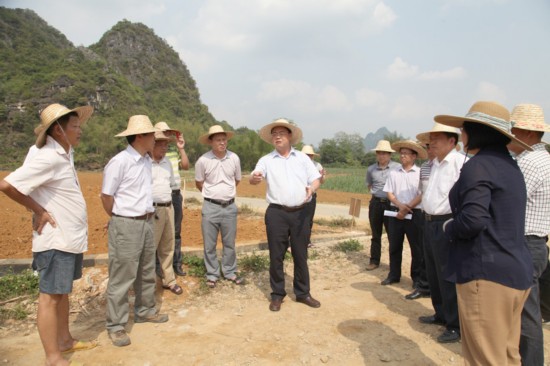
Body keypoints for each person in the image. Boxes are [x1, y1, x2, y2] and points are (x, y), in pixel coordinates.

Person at [437, 101, 533, 364]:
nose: (462, 135)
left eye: (464, 129)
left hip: (487, 275)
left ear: (474, 131)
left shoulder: (478, 166)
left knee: (486, 358)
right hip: (514, 270)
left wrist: (449, 227)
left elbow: (473, 219)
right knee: (507, 354)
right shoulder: (510, 166)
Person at [0, 103, 96, 365]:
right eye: (74, 127)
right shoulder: (48, 157)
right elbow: (7, 185)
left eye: (79, 125)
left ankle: (64, 340)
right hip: (56, 239)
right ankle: (52, 357)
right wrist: (38, 210)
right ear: (58, 130)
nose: (80, 131)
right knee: (50, 297)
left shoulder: (63, 154)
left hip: (69, 239)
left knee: (62, 292)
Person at [101, 115, 168, 347]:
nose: (155, 139)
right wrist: (119, 218)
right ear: (140, 136)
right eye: (152, 135)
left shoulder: (146, 161)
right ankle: (116, 325)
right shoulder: (120, 162)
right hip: (127, 223)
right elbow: (106, 196)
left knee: (146, 270)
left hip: (147, 221)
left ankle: (145, 310)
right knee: (123, 274)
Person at [249, 118, 322, 312]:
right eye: (274, 134)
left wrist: (311, 188)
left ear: (290, 136)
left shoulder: (302, 158)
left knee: (300, 254)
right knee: (276, 255)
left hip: (301, 213)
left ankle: (303, 293)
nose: (277, 137)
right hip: (276, 213)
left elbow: (316, 179)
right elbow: (255, 176)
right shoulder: (266, 160)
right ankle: (277, 294)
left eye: (281, 133)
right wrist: (254, 178)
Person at [415, 122, 465, 343]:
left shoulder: (460, 163)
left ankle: (454, 325)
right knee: (433, 270)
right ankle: (440, 313)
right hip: (429, 222)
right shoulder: (434, 164)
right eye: (430, 138)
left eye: (436, 138)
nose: (431, 142)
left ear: (452, 141)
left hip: (446, 223)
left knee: (447, 274)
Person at [508, 103, 550, 365]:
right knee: (527, 310)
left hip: (526, 242)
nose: (509, 136)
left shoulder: (529, 163)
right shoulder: (544, 158)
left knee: (526, 313)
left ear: (528, 134)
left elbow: (509, 202)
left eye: (513, 131)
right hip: (536, 244)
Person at [195, 125, 243, 288]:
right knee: (210, 244)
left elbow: (237, 180)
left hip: (229, 207)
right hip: (210, 207)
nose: (222, 143)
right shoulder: (203, 160)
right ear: (211, 142)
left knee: (229, 242)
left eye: (224, 140)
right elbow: (199, 182)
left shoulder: (234, 158)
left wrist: (225, 194)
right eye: (218, 140)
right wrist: (213, 195)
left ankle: (229, 271)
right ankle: (212, 273)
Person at [380, 140, 425, 289]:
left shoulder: (420, 173)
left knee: (416, 247)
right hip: (395, 212)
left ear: (414, 156)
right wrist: (400, 206)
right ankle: (393, 275)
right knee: (394, 245)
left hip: (414, 212)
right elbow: (389, 193)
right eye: (402, 154)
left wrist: (407, 208)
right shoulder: (393, 173)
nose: (403, 156)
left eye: (406, 154)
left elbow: (421, 194)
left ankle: (417, 278)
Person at [155, 121, 189, 277]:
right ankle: (158, 267)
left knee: (175, 232)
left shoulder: (173, 153)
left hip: (175, 195)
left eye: (168, 133)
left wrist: (181, 149)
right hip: (162, 196)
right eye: (163, 133)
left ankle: (176, 263)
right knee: (158, 233)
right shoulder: (152, 155)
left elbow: (186, 166)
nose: (167, 136)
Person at [151, 130, 183, 295]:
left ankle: (168, 280)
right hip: (152, 209)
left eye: (166, 144)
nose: (164, 147)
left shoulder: (167, 163)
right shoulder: (145, 163)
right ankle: (147, 285)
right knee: (150, 248)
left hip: (168, 206)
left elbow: (171, 184)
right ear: (152, 144)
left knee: (168, 245)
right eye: (160, 144)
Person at [404, 141, 434, 300]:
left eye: (433, 145)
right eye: (427, 146)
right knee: (423, 251)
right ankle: (424, 286)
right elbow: (422, 192)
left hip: (445, 218)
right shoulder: (426, 168)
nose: (430, 149)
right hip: (424, 215)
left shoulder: (455, 164)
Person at [365, 140, 400, 271]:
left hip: (391, 204)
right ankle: (374, 261)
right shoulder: (371, 169)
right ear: (376, 154)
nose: (382, 156)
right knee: (375, 234)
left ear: (390, 155)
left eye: (385, 153)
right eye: (379, 153)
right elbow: (369, 185)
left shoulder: (397, 168)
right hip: (375, 203)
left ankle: (394, 264)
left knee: (393, 235)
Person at [301, 145, 326, 248]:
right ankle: (293, 241)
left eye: (310, 155)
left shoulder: (317, 166)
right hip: (299, 196)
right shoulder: (296, 165)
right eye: (306, 155)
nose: (308, 157)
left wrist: (322, 175)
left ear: (313, 156)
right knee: (296, 219)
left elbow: (322, 181)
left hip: (312, 196)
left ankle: (306, 241)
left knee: (309, 219)